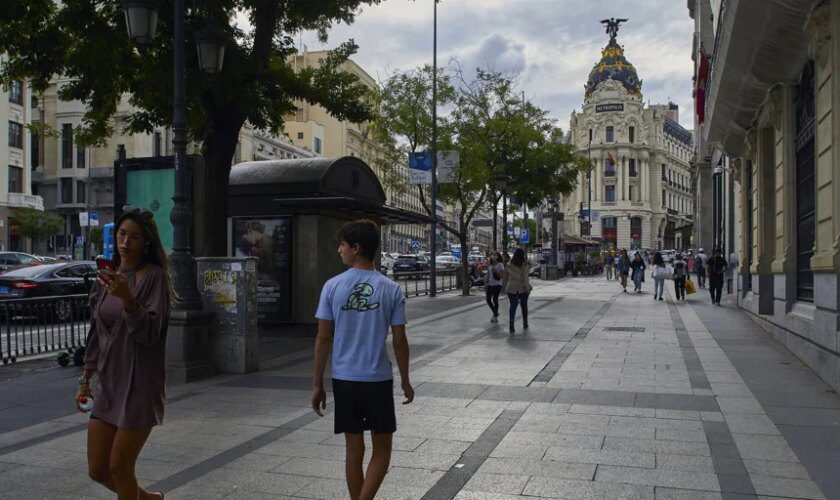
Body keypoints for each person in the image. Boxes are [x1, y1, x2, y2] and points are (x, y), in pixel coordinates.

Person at [312, 220, 414, 500]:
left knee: (353, 450)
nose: (339, 251)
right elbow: (400, 341)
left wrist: (317, 384)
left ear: (356, 248)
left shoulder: (332, 286)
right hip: (377, 379)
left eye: (342, 245)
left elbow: (323, 339)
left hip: (344, 380)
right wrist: (405, 380)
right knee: (382, 450)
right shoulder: (390, 288)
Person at [77, 205, 172, 500]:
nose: (125, 242)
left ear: (146, 244)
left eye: (134, 237)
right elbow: (96, 333)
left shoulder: (155, 278)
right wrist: (85, 379)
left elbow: (151, 334)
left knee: (120, 465)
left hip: (139, 383)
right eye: (121, 234)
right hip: (108, 382)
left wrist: (129, 300)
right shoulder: (107, 279)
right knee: (97, 469)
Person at [504, 248, 531, 333]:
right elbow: (525, 278)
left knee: (513, 306)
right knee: (524, 306)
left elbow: (505, 276)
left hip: (511, 288)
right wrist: (528, 289)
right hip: (522, 288)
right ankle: (525, 322)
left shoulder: (509, 264)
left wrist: (506, 284)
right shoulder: (524, 265)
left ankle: (511, 324)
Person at [485, 251, 504, 323]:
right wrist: (486, 282)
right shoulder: (490, 265)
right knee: (488, 299)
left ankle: (495, 316)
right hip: (490, 284)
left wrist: (496, 271)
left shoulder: (500, 265)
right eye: (492, 255)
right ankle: (495, 313)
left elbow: (501, 276)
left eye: (495, 255)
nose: (493, 256)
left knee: (495, 300)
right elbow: (488, 275)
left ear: (498, 256)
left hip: (497, 285)